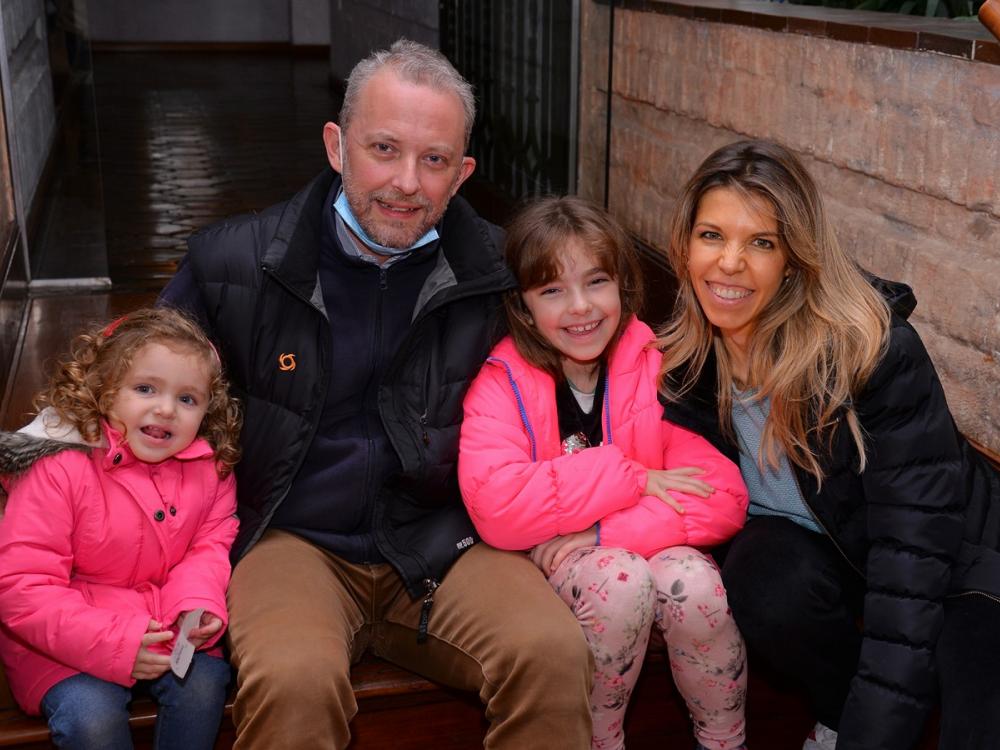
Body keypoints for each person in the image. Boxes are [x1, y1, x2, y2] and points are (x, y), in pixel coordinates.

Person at [159, 39, 593, 749]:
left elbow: (590, 384)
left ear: (463, 174)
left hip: (446, 538)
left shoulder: (502, 272)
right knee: (293, 681)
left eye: (435, 160)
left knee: (551, 653)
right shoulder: (233, 264)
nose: (406, 183)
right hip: (290, 538)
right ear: (337, 146)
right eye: (384, 149)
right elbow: (133, 394)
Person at [657, 139, 1000, 750]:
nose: (729, 262)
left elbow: (909, 567)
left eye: (761, 242)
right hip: (839, 556)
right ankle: (839, 714)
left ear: (794, 260)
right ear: (685, 246)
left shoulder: (871, 356)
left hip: (962, 562)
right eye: (712, 235)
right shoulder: (687, 369)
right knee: (763, 577)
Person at [459, 196, 750, 750]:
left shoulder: (653, 364)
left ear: (622, 287)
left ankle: (724, 741)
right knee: (620, 583)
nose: (580, 307)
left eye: (596, 282)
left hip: (622, 542)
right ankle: (598, 740)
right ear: (523, 308)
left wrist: (600, 531)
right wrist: (631, 477)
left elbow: (723, 495)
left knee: (695, 584)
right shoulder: (502, 381)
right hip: (552, 570)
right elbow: (496, 505)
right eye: (552, 290)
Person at [0, 307, 241, 749]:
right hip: (65, 644)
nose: (166, 409)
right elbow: (22, 587)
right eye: (145, 388)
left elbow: (208, 547)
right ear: (103, 389)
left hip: (165, 624)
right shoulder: (58, 467)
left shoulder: (210, 469)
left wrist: (195, 605)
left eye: (188, 399)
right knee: (91, 718)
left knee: (205, 685)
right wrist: (119, 643)